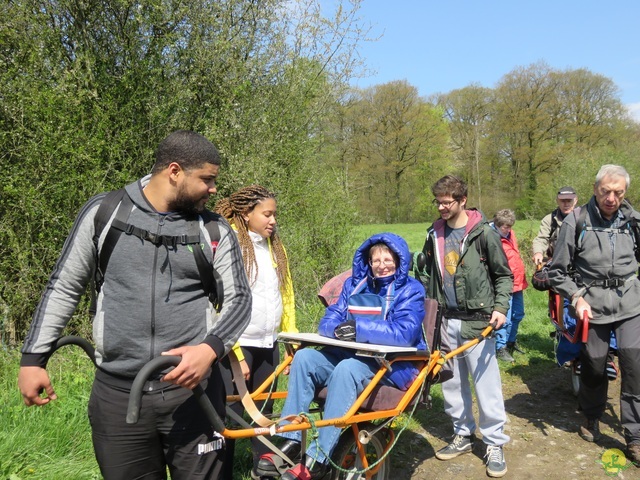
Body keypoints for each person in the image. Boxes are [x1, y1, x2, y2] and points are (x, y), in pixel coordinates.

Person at [18, 130, 253, 479]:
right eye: (207, 179)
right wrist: (33, 359)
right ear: (174, 171)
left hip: (195, 396)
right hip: (119, 396)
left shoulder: (215, 229)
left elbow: (240, 300)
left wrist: (209, 350)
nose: (214, 189)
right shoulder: (104, 212)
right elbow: (64, 287)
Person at [256, 232, 426, 480]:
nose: (381, 266)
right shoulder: (354, 285)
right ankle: (291, 441)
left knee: (348, 368)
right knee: (305, 359)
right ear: (368, 262)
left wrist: (358, 329)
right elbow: (329, 319)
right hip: (349, 353)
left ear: (399, 261)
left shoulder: (412, 290)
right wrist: (337, 329)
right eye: (375, 260)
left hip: (391, 363)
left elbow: (404, 333)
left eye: (388, 260)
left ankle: (319, 457)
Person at [419, 175, 513, 478]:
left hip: (478, 323)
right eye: (439, 201)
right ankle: (462, 432)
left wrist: (500, 309)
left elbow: (503, 276)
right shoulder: (434, 233)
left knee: (486, 386)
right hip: (445, 320)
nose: (442, 207)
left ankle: (495, 442)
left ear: (462, 199)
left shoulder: (484, 234)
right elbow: (426, 272)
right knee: (452, 383)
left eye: (448, 201)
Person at [547, 164, 640, 464]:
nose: (612, 198)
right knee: (595, 366)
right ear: (595, 189)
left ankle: (635, 436)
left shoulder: (634, 221)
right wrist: (576, 296)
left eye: (619, 192)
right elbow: (557, 272)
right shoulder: (577, 221)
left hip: (630, 303)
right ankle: (590, 416)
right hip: (592, 304)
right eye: (606, 192)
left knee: (634, 364)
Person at [215, 185, 298, 480]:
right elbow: (221, 303)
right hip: (236, 346)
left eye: (275, 214)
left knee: (264, 410)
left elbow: (285, 293)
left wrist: (291, 337)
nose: (273, 220)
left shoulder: (274, 246)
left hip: (269, 342)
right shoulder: (230, 246)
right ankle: (219, 471)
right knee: (227, 412)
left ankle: (262, 469)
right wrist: (235, 352)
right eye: (267, 214)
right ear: (246, 214)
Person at [491, 209, 528, 363]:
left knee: (518, 314)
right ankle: (500, 347)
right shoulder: (491, 237)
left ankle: (511, 342)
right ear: (497, 225)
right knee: (504, 318)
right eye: (504, 227)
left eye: (509, 226)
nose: (507, 229)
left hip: (518, 281)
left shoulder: (511, 234)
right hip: (504, 283)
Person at [532, 186, 578, 266]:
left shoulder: (584, 219)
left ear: (575, 201)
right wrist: (538, 252)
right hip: (556, 263)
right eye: (562, 201)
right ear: (557, 201)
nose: (566, 204)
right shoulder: (549, 220)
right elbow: (541, 239)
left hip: (579, 264)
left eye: (569, 201)